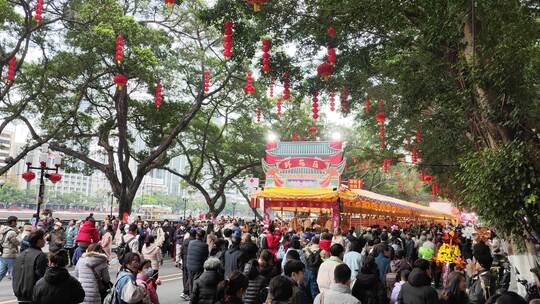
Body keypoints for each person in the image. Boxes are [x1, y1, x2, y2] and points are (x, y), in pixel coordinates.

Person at [12, 229, 48, 303]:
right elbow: (42, 276)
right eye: (43, 238)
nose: (45, 241)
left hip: (19, 293)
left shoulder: (21, 255)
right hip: (33, 294)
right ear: (38, 240)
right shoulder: (40, 255)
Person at [186, 229, 209, 296]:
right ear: (203, 236)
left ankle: (191, 295)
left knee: (190, 281)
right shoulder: (204, 245)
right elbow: (205, 257)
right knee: (196, 282)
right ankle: (194, 296)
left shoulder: (191, 242)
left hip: (189, 265)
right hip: (198, 266)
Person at [0, 216, 19, 281]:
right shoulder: (11, 232)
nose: (16, 223)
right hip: (10, 255)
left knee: (1, 273)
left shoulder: (3, 230)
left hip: (3, 254)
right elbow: (16, 242)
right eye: (16, 221)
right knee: (15, 274)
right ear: (13, 222)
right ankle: (17, 289)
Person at [181, 229, 196, 300]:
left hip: (184, 260)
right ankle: (186, 292)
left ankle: (186, 292)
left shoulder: (185, 241)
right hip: (191, 261)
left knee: (185, 277)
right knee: (190, 277)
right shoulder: (195, 242)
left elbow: (181, 251)